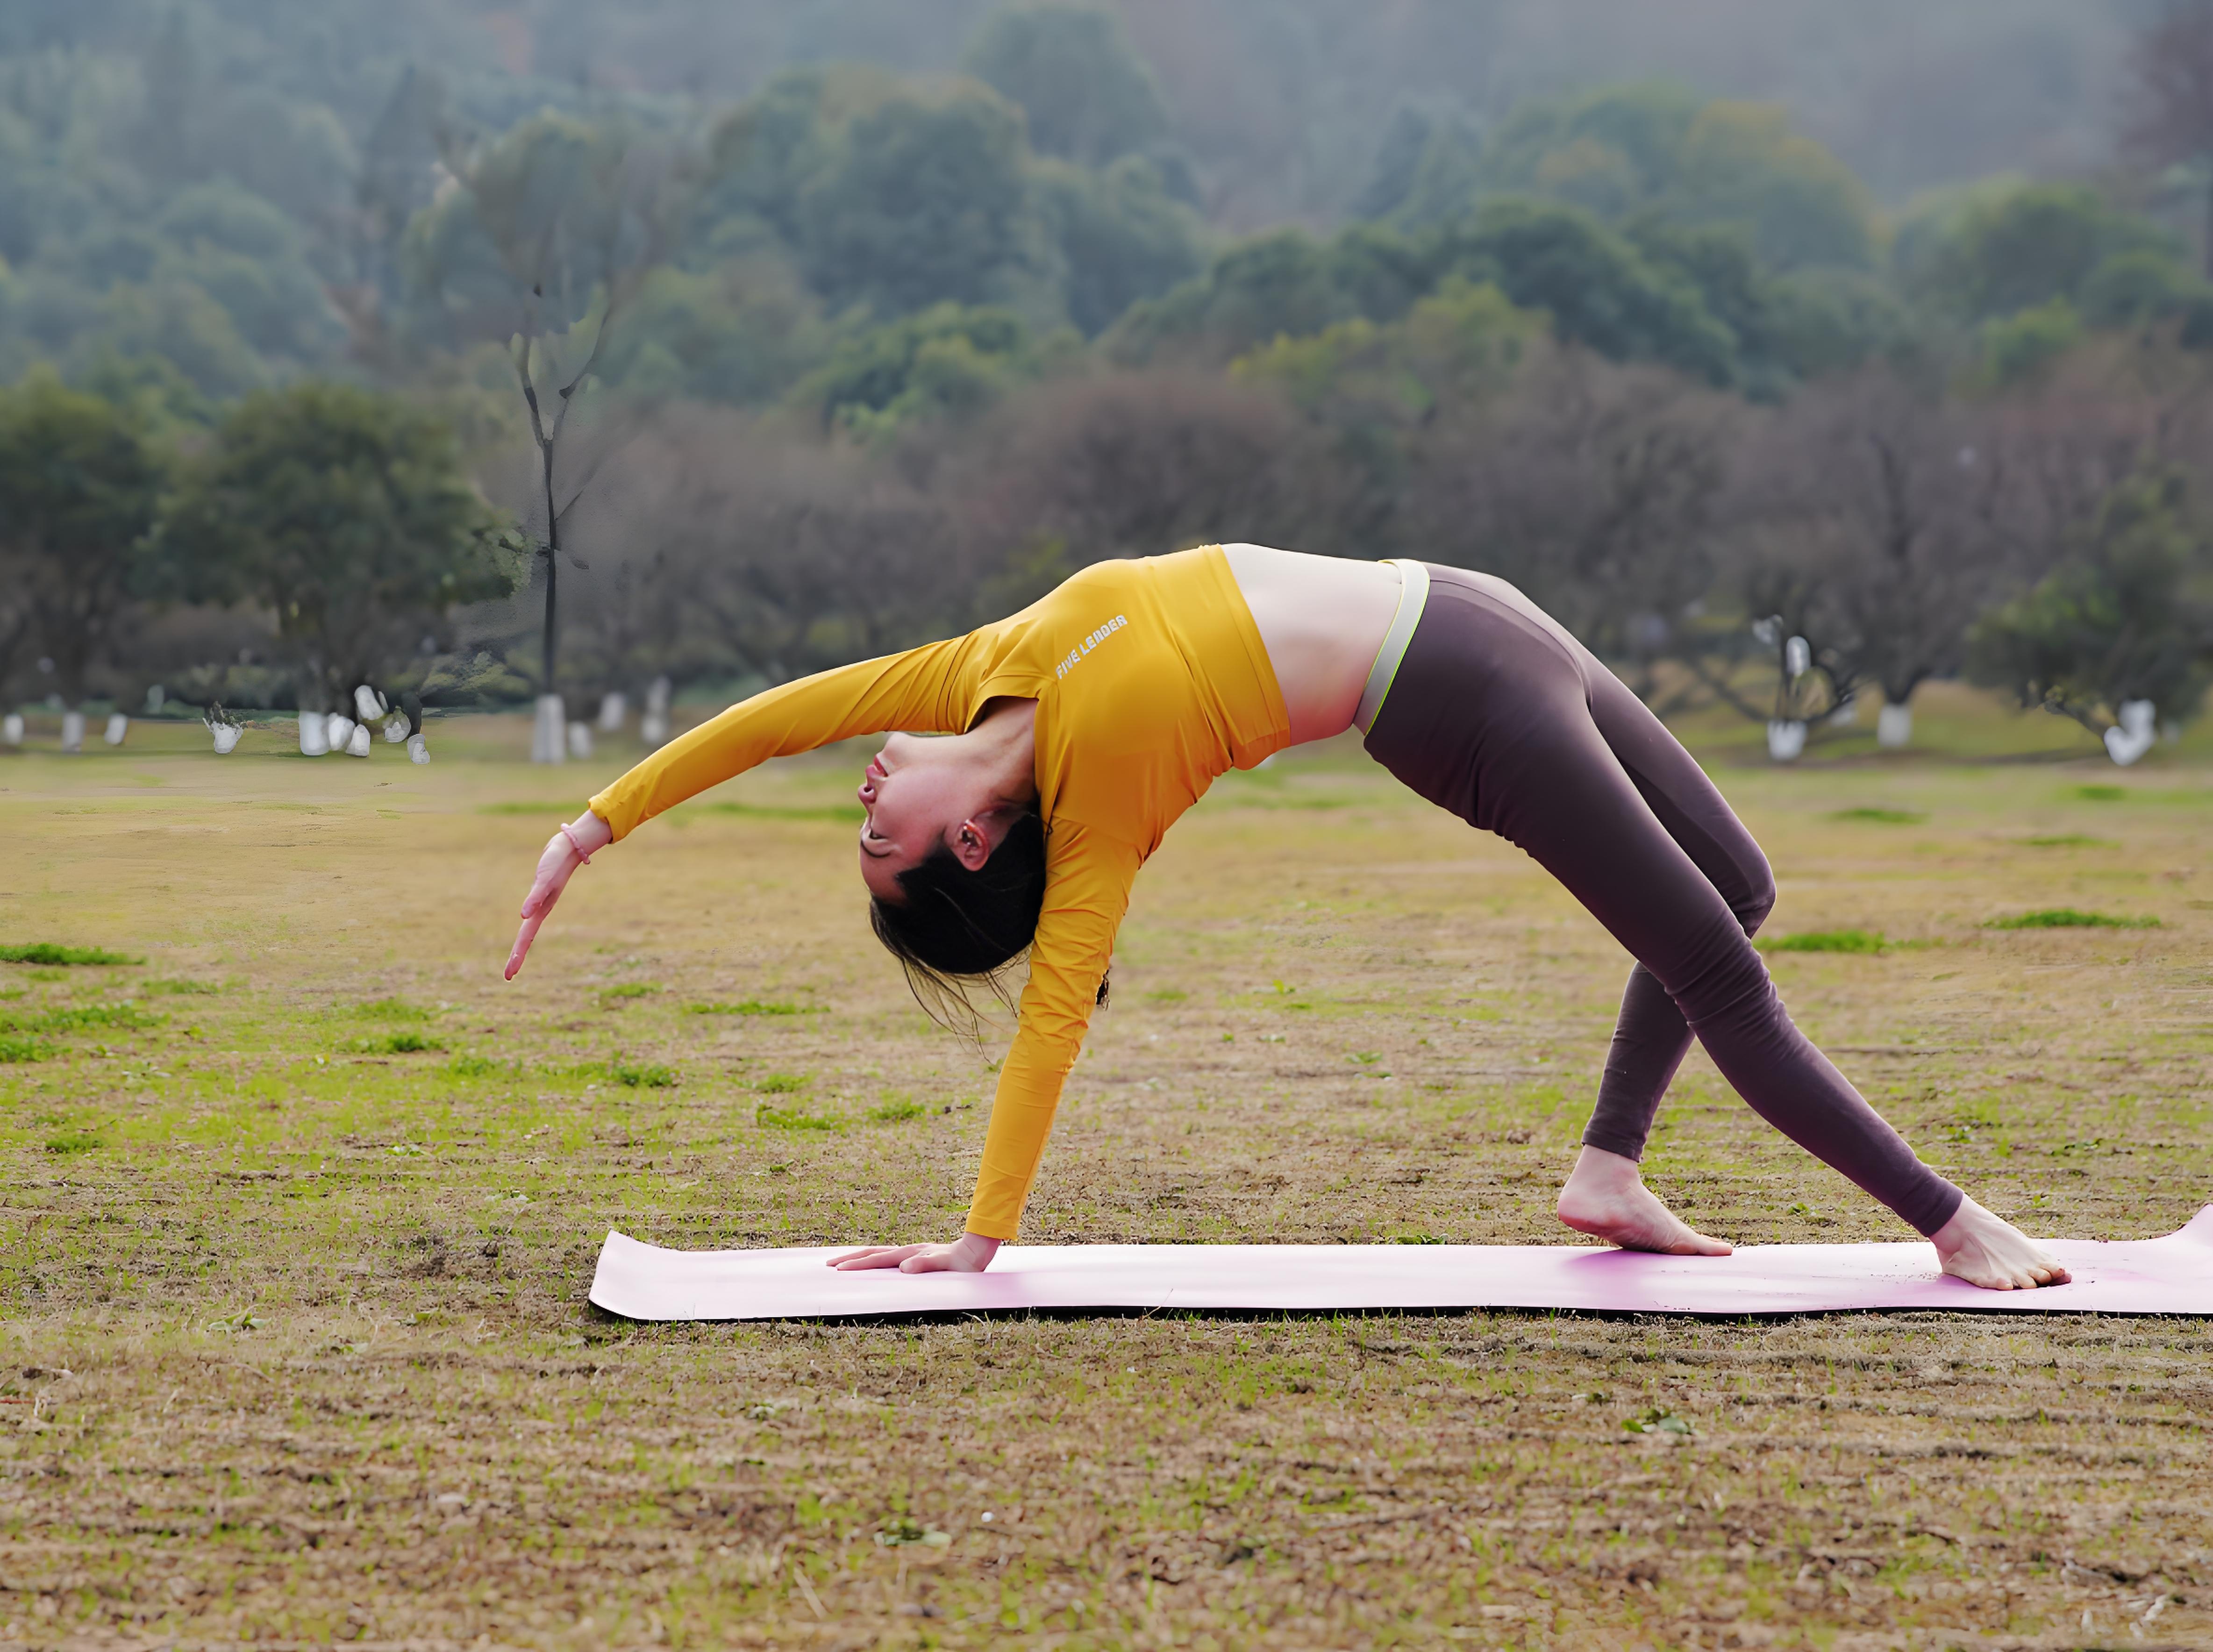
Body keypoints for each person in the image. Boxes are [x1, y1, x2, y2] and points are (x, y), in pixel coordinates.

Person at [506, 545, 2069, 1291]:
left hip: (1484, 609)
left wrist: (595, 824)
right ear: (971, 841)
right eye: (878, 847)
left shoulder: (979, 672)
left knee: (1736, 884)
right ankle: (1952, 1224)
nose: (858, 804)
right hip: (1456, 697)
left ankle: (1610, 1169)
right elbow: (1055, 1020)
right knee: (1721, 967)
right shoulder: (1103, 795)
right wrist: (981, 1239)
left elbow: (776, 716)